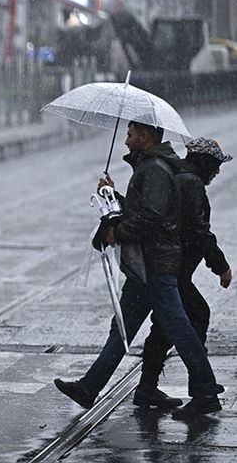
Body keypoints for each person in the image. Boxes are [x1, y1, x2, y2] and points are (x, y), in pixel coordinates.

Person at [54, 121, 222, 420]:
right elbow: (141, 209)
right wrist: (111, 195)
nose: (126, 141)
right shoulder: (149, 166)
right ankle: (89, 388)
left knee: (179, 328)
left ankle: (206, 392)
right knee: (122, 328)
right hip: (145, 265)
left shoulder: (155, 168)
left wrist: (118, 233)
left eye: (130, 134)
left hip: (156, 265)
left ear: (145, 136)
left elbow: (152, 217)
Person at [133, 138, 232, 408]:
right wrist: (220, 265)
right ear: (202, 161)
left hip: (169, 267)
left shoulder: (179, 176)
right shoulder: (191, 183)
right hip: (173, 269)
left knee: (165, 326)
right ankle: (203, 393)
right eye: (214, 164)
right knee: (195, 316)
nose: (217, 171)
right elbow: (197, 230)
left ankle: (147, 387)